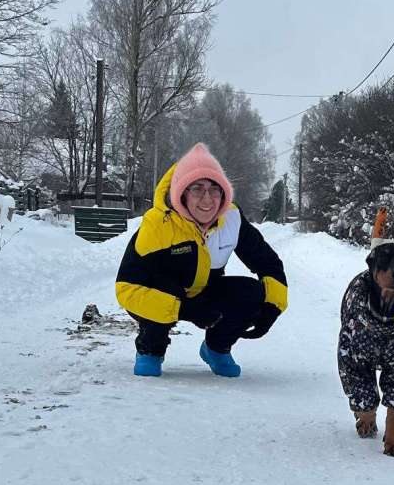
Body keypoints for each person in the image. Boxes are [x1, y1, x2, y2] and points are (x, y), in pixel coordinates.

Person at [115, 143, 288, 378]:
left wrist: (273, 306)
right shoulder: (157, 225)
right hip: (162, 291)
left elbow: (267, 262)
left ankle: (216, 348)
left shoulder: (232, 218)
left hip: (205, 289)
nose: (208, 199)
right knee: (160, 294)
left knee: (253, 292)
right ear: (182, 193)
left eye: (215, 189)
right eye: (197, 189)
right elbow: (128, 288)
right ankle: (150, 349)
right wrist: (185, 309)